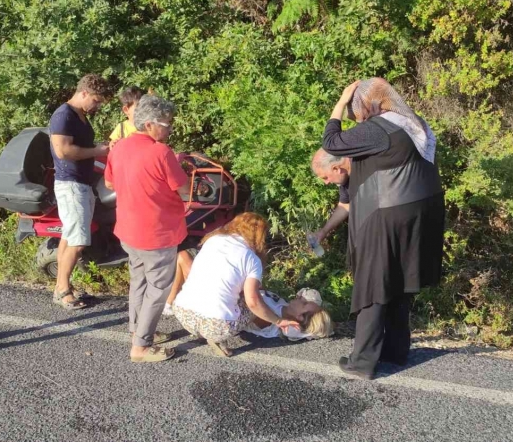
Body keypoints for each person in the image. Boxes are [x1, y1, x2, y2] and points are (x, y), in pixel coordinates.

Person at [314, 78, 445, 380]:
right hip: (421, 211)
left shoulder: (379, 128)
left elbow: (331, 142)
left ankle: (362, 363)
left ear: (367, 102)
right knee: (399, 282)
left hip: (389, 211)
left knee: (374, 283)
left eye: (354, 107)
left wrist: (339, 101)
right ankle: (395, 351)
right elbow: (347, 201)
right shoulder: (414, 125)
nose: (355, 114)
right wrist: (323, 231)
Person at [104, 94, 189, 363]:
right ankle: (141, 346)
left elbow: (109, 184)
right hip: (157, 233)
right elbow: (184, 190)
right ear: (150, 124)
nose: (170, 127)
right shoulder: (161, 152)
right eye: (167, 123)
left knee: (138, 281)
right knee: (158, 288)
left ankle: (137, 330)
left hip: (128, 230)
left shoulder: (119, 148)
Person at [171, 212, 301, 357]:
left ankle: (202, 329)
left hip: (183, 314)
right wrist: (278, 320)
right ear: (259, 237)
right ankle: (219, 337)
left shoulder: (212, 240)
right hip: (216, 326)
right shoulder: (251, 259)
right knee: (257, 300)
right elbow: (253, 302)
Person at [49, 74, 113, 310]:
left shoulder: (80, 116)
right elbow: (63, 150)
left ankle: (62, 286)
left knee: (69, 236)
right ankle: (63, 290)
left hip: (80, 183)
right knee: (78, 241)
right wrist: (99, 150)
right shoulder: (63, 115)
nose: (96, 106)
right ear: (84, 93)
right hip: (70, 184)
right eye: (95, 100)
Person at [245, 288, 334, 341]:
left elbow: (250, 305)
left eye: (304, 303)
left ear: (299, 316)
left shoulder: (269, 318)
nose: (299, 297)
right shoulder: (284, 306)